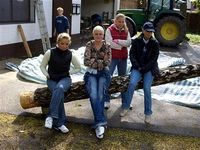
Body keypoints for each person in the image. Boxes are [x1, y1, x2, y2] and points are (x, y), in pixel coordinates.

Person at [40, 33, 81, 133]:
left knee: (60, 88)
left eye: (67, 44)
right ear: (58, 42)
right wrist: (46, 74)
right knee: (59, 95)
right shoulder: (50, 52)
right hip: (52, 79)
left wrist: (69, 72)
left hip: (65, 79)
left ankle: (50, 116)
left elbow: (78, 67)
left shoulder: (70, 54)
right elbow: (42, 66)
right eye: (62, 43)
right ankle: (60, 124)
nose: (64, 46)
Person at [120, 21, 160, 123]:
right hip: (137, 67)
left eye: (151, 32)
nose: (149, 33)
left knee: (147, 88)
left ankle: (148, 113)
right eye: (147, 31)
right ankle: (126, 106)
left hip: (149, 68)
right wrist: (137, 66)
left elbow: (154, 58)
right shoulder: (136, 41)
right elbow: (132, 54)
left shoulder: (155, 43)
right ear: (142, 30)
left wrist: (146, 68)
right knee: (132, 84)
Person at [83, 25, 111, 139]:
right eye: (96, 34)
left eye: (100, 34)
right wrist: (100, 61)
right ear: (93, 34)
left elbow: (108, 61)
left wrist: (94, 61)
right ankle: (101, 123)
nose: (98, 36)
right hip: (91, 74)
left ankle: (99, 124)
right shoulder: (89, 45)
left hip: (104, 73)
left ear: (103, 35)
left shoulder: (107, 46)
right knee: (93, 95)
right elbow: (86, 61)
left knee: (100, 96)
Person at [104, 13, 131, 109]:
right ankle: (106, 100)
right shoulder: (109, 30)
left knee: (123, 79)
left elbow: (129, 42)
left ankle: (125, 101)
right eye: (119, 21)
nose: (121, 23)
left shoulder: (126, 30)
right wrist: (121, 45)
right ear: (115, 21)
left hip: (123, 58)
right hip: (113, 57)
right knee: (108, 77)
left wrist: (117, 41)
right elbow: (109, 43)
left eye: (122, 21)